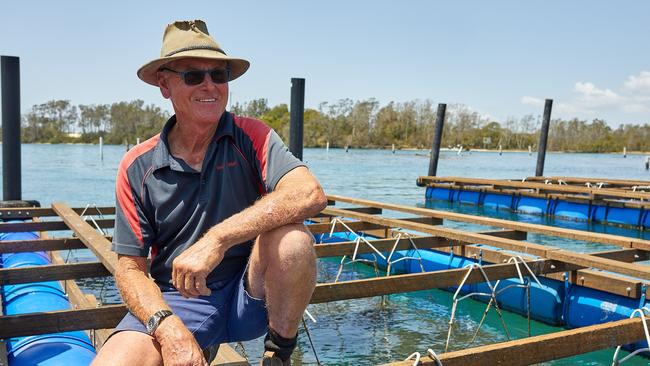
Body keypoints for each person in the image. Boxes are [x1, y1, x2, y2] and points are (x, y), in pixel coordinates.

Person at [92, 19, 327, 366]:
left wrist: (217, 240)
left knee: (293, 239)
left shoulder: (252, 136)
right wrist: (167, 327)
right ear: (164, 84)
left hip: (254, 290)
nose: (210, 85)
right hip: (179, 298)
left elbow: (309, 193)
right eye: (193, 75)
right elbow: (130, 269)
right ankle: (194, 338)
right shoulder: (136, 166)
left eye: (219, 75)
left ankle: (278, 352)